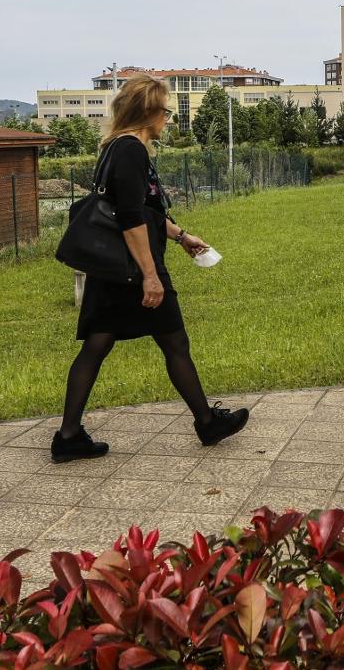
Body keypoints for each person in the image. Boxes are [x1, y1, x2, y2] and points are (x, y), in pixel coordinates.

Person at [52, 74, 248, 463]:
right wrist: (150, 275)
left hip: (113, 270)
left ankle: (69, 436)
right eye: (166, 112)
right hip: (132, 268)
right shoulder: (130, 152)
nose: (169, 120)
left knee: (98, 344)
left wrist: (180, 236)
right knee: (174, 343)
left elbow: (141, 210)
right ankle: (207, 423)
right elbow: (129, 220)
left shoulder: (116, 148)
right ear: (148, 112)